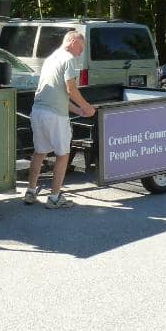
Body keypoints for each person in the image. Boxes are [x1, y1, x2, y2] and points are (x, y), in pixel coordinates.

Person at [24, 30, 95, 208]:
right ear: (72, 42)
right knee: (63, 155)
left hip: (38, 111)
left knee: (39, 152)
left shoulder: (50, 59)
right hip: (55, 116)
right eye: (81, 46)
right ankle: (55, 198)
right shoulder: (69, 59)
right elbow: (71, 90)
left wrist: (78, 109)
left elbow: (59, 94)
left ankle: (31, 192)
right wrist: (88, 107)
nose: (81, 52)